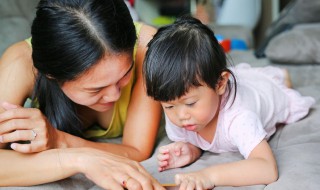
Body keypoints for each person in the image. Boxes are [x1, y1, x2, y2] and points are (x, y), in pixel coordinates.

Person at [0, 0, 164, 189]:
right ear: (52, 75)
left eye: (125, 74)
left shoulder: (147, 46)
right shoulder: (20, 64)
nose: (114, 95)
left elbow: (136, 150)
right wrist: (79, 159)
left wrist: (60, 140)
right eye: (95, 89)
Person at [143, 16, 315, 189]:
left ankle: (280, 75)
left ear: (220, 84)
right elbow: (200, 139)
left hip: (263, 91)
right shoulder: (180, 109)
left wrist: (208, 176)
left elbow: (267, 168)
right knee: (239, 76)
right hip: (232, 81)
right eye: (169, 106)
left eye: (190, 104)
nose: (181, 116)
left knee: (274, 81)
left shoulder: (239, 117)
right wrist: (190, 150)